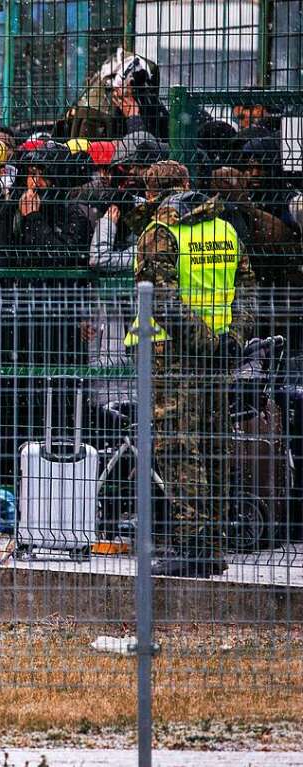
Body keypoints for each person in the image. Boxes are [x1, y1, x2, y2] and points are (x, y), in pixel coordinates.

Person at [125, 174, 257, 578]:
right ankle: (211, 545)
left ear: (154, 191)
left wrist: (203, 340)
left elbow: (156, 297)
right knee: (213, 445)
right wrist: (233, 336)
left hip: (172, 355)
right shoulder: (224, 227)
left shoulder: (162, 231)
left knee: (177, 447)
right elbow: (248, 286)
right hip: (219, 354)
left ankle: (193, 543)